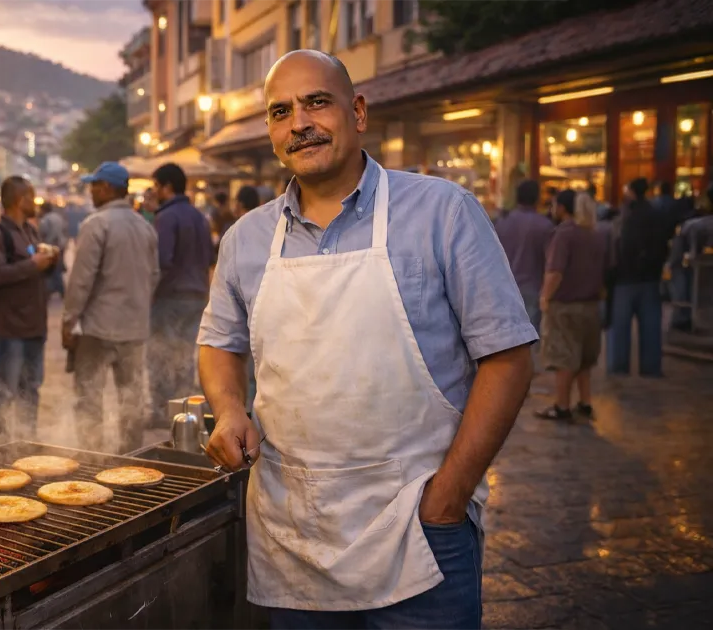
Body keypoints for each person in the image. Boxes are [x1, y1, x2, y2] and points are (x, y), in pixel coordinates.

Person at [199, 51, 535, 629]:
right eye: (281, 112)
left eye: (316, 103)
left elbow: (508, 358)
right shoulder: (245, 239)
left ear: (357, 112)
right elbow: (218, 341)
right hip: (292, 531)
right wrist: (229, 410)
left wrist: (448, 498)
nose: (299, 123)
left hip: (418, 528)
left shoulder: (442, 212)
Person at [63, 163, 159, 453]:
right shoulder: (144, 227)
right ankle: (132, 458)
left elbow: (81, 280)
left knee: (89, 398)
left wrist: (69, 320)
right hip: (134, 329)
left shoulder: (96, 223)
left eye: (94, 185)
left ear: (107, 188)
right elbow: (154, 276)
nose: (91, 191)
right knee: (131, 398)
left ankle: (92, 455)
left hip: (98, 328)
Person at [0, 176, 58, 440]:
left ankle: (27, 443)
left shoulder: (30, 230)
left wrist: (50, 261)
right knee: (4, 391)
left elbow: (36, 270)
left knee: (30, 389)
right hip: (9, 327)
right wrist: (32, 264)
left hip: (34, 325)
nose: (35, 201)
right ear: (18, 199)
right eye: (31, 196)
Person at [148, 162, 213, 427]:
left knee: (162, 354)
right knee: (185, 356)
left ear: (167, 187)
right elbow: (209, 257)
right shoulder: (199, 217)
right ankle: (183, 413)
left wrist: (151, 293)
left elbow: (162, 261)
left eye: (156, 186)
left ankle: (162, 412)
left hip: (171, 297)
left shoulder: (166, 217)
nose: (154, 192)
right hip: (197, 297)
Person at [535, 190, 607, 421]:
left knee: (563, 357)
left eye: (555, 204)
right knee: (585, 358)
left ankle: (562, 406)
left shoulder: (564, 234)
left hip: (565, 306)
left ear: (563, 208)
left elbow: (555, 271)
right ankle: (585, 402)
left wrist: (545, 296)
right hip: (591, 305)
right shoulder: (595, 234)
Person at [608, 177, 672, 376]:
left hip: (625, 279)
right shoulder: (657, 215)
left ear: (632, 192)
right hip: (650, 279)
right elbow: (664, 245)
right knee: (651, 327)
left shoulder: (626, 216)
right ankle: (651, 368)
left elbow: (619, 247)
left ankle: (620, 367)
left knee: (620, 329)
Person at [494, 179, 554, 333]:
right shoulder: (545, 226)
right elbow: (551, 261)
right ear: (537, 198)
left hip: (504, 287)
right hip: (532, 288)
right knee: (530, 337)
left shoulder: (502, 223)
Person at [668, 185, 713, 332]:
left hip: (690, 263)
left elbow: (678, 257)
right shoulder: (696, 224)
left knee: (681, 275)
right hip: (696, 262)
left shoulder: (692, 225)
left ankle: (682, 316)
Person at [37, 201, 68, 298]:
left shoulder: (45, 219)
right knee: (57, 268)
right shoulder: (58, 217)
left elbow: (43, 232)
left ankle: (53, 290)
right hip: (61, 246)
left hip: (51, 247)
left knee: (52, 270)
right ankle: (58, 290)